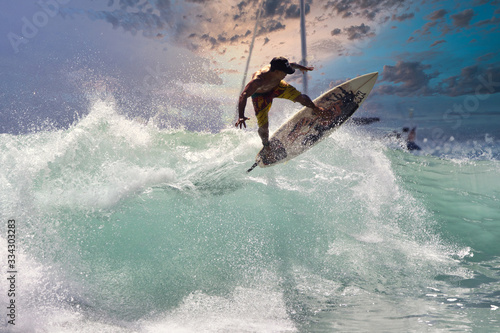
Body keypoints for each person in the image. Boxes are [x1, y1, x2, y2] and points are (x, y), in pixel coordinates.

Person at [235, 56, 333, 151]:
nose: (286, 74)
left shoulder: (278, 68)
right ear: (276, 71)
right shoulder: (258, 80)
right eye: (285, 72)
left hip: (277, 87)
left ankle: (317, 110)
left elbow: (292, 65)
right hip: (260, 97)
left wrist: (302, 68)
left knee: (300, 97)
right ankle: (266, 146)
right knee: (264, 126)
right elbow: (243, 95)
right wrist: (241, 116)